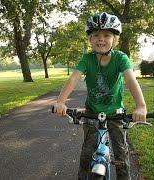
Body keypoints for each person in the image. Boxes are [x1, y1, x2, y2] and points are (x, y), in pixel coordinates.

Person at [53, 12, 147, 180]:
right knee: (86, 153)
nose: (101, 39)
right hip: (92, 111)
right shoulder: (87, 59)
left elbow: (131, 80)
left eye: (106, 35)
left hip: (115, 113)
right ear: (90, 39)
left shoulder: (120, 58)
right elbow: (74, 78)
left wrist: (141, 106)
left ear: (114, 40)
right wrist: (60, 102)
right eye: (96, 35)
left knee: (121, 154)